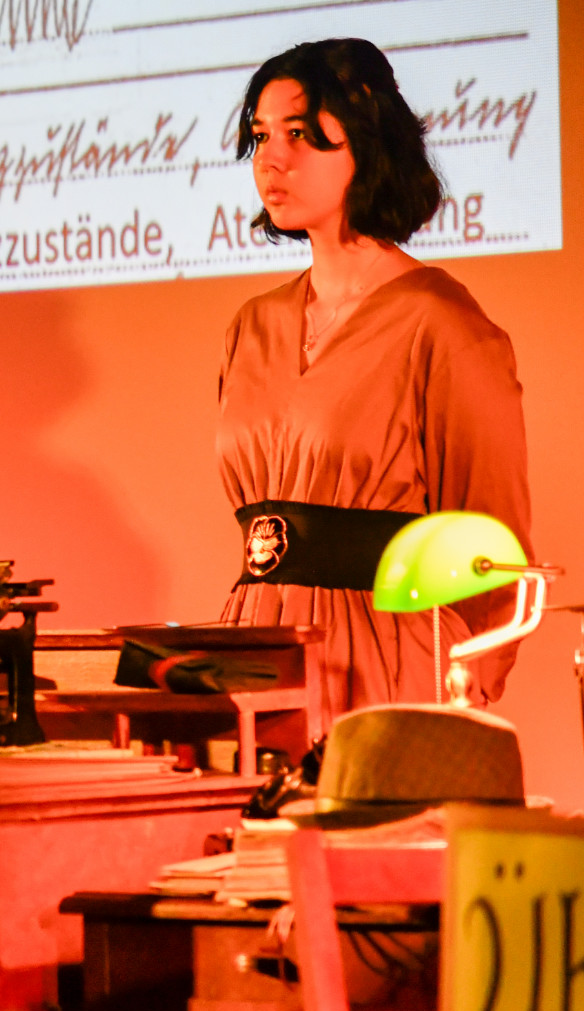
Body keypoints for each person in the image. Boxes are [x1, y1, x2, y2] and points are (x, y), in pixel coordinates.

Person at [217, 38, 533, 725]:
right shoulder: (253, 325)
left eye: (299, 134)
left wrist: (465, 690)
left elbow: (492, 543)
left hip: (387, 664)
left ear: (365, 142)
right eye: (261, 136)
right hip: (259, 654)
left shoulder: (440, 322)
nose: (270, 159)